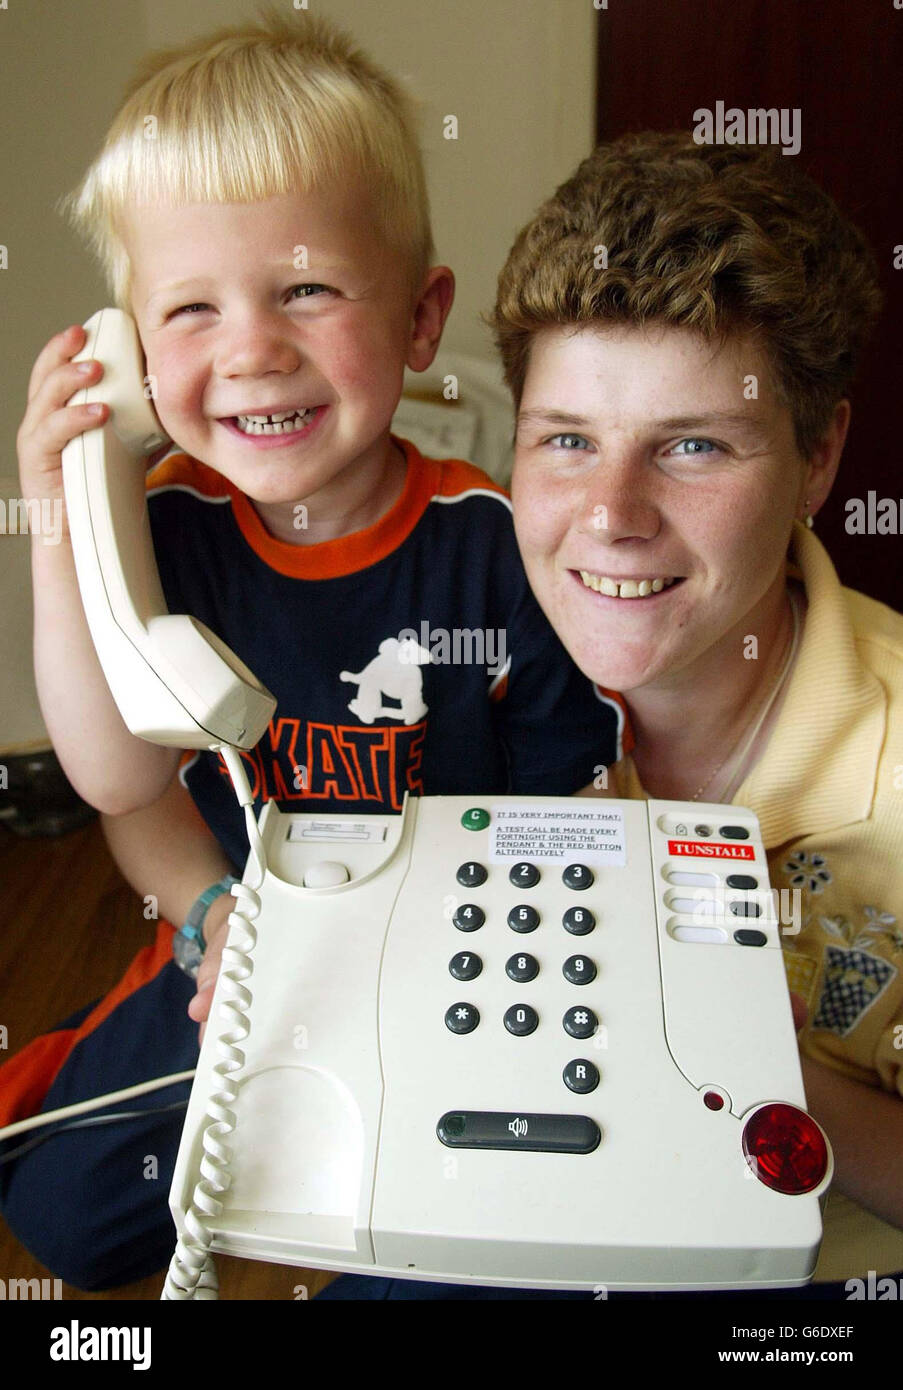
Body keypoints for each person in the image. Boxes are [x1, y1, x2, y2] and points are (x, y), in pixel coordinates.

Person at [0, 12, 615, 1292]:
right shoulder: (163, 526)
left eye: (307, 288)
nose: (251, 350)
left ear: (417, 317)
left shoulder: (490, 551)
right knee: (65, 1214)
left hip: (441, 958)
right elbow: (120, 784)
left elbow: (566, 809)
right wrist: (65, 509)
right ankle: (79, 1050)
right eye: (188, 309)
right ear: (128, 353)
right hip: (237, 944)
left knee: (449, 1203)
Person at [490, 130, 903, 1293]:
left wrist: (732, 1050)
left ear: (818, 457)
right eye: (568, 440)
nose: (612, 516)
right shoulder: (467, 695)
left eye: (692, 446)